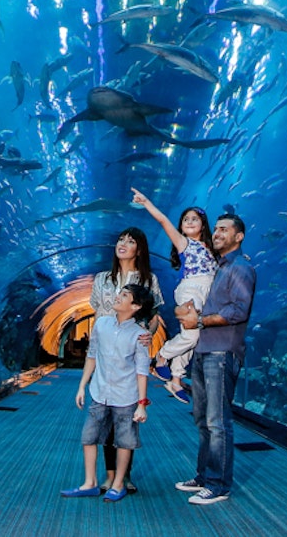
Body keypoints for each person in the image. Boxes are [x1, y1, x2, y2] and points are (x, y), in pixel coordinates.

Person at [174, 213, 256, 505]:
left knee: (217, 421)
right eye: (216, 229)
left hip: (222, 351)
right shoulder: (218, 267)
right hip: (204, 350)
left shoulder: (241, 268)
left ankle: (219, 485)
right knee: (202, 420)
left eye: (224, 229)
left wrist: (200, 322)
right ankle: (204, 476)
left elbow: (238, 311)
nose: (217, 233)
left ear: (239, 236)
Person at [61, 284, 154, 503]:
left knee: (124, 440)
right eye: (119, 293)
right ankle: (89, 482)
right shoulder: (101, 324)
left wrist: (142, 403)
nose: (117, 297)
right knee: (88, 437)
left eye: (124, 295)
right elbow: (92, 355)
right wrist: (82, 385)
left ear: (136, 306)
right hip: (99, 391)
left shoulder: (140, 335)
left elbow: (142, 371)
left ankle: (118, 483)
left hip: (126, 396)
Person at [88, 227, 164, 493]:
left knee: (127, 417)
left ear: (139, 249)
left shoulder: (149, 280)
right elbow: (98, 311)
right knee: (104, 418)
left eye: (130, 241)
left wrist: (149, 335)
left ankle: (124, 475)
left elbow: (153, 316)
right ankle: (110, 476)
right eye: (121, 239)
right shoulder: (101, 279)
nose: (123, 244)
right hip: (106, 352)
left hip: (131, 354)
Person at [131, 188, 218, 403]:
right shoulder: (184, 243)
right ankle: (161, 356)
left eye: (194, 219)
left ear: (203, 224)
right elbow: (163, 221)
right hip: (191, 289)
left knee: (193, 339)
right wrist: (147, 202)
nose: (189, 221)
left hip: (207, 292)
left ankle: (176, 379)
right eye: (185, 219)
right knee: (192, 335)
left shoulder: (210, 247)